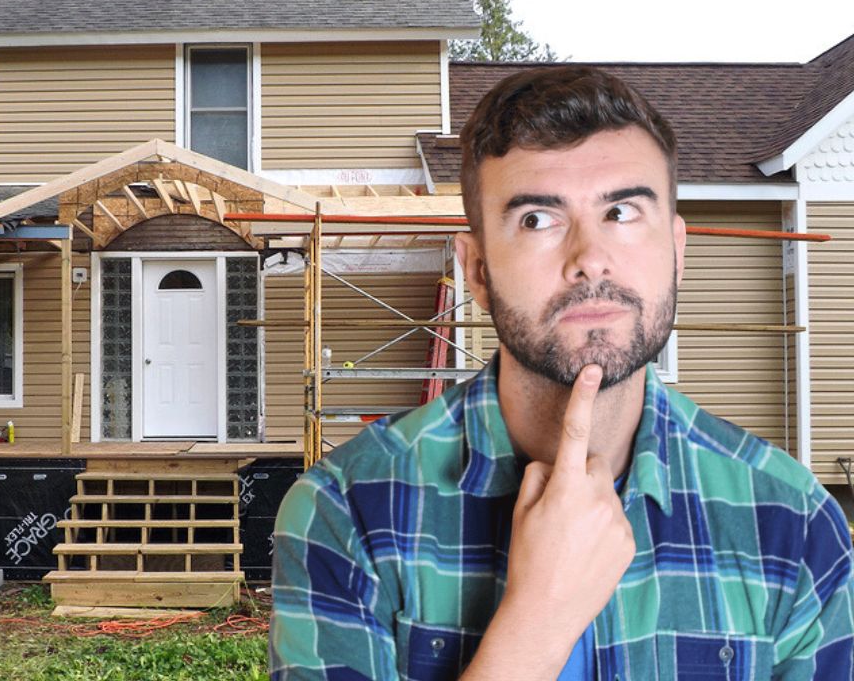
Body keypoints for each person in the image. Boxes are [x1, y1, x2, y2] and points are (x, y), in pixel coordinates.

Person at [269, 66, 854, 680]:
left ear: (678, 253)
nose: (589, 259)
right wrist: (539, 619)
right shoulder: (346, 512)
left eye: (623, 212)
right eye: (536, 220)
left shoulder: (793, 520)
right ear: (477, 272)